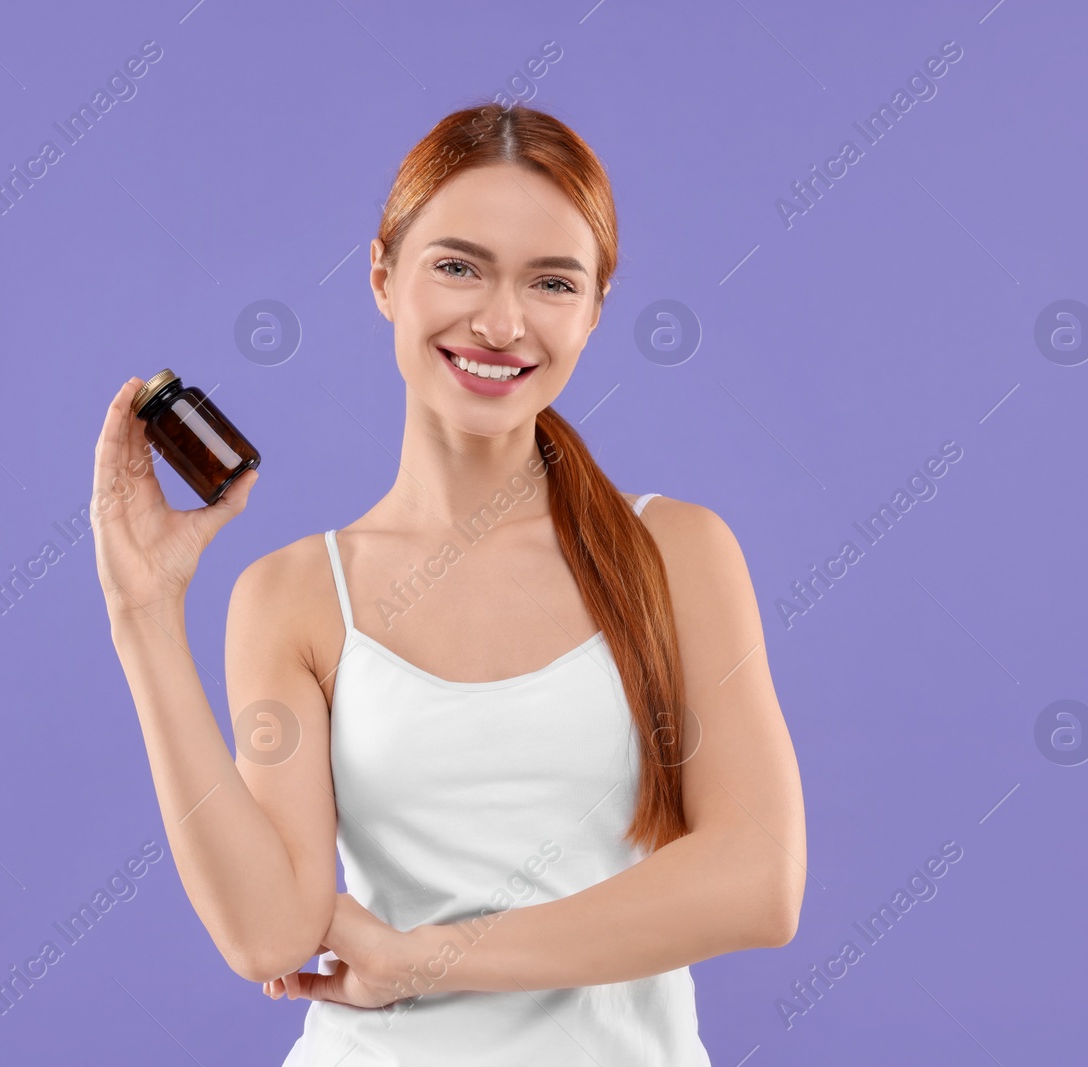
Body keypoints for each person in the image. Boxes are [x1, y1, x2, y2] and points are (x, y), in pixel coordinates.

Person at [91, 101, 806, 1065]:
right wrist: (144, 615)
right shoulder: (294, 594)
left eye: (551, 281)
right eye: (458, 265)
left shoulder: (676, 553)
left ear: (593, 310)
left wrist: (433, 960)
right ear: (383, 277)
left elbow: (757, 881)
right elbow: (268, 932)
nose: (501, 321)